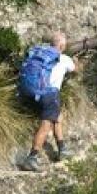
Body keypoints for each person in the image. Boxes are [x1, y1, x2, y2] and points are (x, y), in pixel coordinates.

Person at [19, 32, 77, 172]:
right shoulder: (64, 59)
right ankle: (32, 157)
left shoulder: (39, 55)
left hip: (30, 91)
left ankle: (62, 149)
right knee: (46, 125)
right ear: (62, 46)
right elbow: (75, 70)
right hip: (49, 94)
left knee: (57, 117)